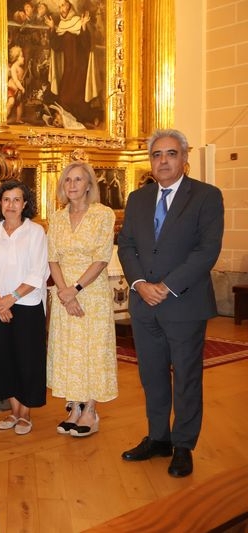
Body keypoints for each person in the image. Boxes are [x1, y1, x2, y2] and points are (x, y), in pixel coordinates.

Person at [118, 129, 224, 477]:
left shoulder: (206, 197)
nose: (163, 161)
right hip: (143, 304)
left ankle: (183, 445)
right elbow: (127, 246)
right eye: (157, 155)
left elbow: (206, 250)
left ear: (184, 159)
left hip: (183, 304)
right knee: (151, 376)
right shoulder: (138, 198)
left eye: (171, 154)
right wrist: (138, 284)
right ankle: (159, 438)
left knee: (187, 378)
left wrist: (165, 286)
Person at [47, 161, 117, 438]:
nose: (72, 185)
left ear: (89, 185)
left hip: (91, 293)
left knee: (91, 349)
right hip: (64, 293)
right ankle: (74, 408)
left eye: (78, 180)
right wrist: (64, 293)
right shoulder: (57, 217)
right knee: (69, 350)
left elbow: (101, 257)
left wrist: (74, 289)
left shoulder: (103, 215)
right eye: (68, 180)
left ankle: (90, 410)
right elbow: (52, 258)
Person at [0, 180, 49, 435]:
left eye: (16, 200)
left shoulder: (36, 233)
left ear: (25, 204)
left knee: (27, 359)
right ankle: (12, 411)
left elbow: (37, 271)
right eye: (6, 199)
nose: (11, 204)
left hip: (27, 305)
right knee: (3, 359)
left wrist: (12, 298)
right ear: (0, 203)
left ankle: (25, 414)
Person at [45, 0, 100, 126]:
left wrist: (84, 27)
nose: (62, 10)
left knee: (77, 97)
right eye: (59, 7)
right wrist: (52, 28)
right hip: (68, 68)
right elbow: (56, 46)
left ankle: (91, 117)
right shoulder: (61, 25)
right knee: (64, 98)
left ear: (70, 5)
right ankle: (70, 119)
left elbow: (86, 46)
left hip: (80, 68)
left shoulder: (78, 21)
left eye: (63, 5)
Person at [6, 46, 27, 124]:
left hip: (18, 90)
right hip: (12, 88)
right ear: (16, 57)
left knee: (20, 104)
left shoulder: (21, 68)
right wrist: (21, 88)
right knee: (11, 102)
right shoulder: (13, 68)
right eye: (21, 56)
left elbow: (22, 80)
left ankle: (18, 119)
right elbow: (16, 80)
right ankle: (4, 117)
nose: (23, 58)